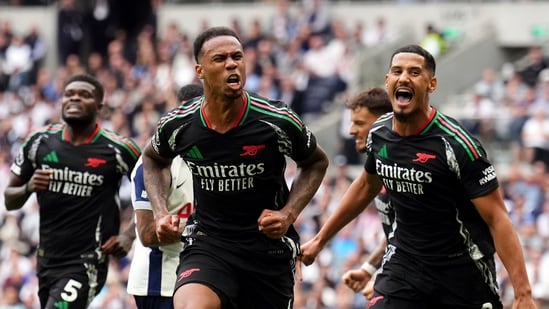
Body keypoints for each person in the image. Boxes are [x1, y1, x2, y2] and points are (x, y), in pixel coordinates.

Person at [300, 44, 537, 309]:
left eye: (414, 72)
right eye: (397, 71)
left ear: (431, 83)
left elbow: (497, 218)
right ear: (388, 80)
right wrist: (320, 239)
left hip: (461, 271)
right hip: (405, 264)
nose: (404, 78)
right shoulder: (379, 133)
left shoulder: (457, 145)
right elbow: (367, 184)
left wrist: (523, 293)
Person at [141, 26, 329, 309]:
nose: (232, 64)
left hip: (267, 248)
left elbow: (316, 162)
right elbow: (153, 159)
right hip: (209, 242)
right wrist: (160, 212)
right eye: (220, 59)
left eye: (237, 57)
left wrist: (288, 213)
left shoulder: (276, 120)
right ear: (200, 70)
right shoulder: (179, 124)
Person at [4, 74, 141, 309]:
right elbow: (9, 199)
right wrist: (28, 187)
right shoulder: (39, 142)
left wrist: (129, 235)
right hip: (47, 258)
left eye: (84, 95)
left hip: (87, 261)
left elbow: (153, 191)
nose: (75, 98)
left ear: (99, 106)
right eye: (69, 94)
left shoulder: (119, 148)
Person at [127, 83, 203, 309]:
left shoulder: (217, 158)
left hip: (204, 277)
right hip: (161, 282)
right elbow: (148, 233)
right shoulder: (154, 163)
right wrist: (204, 229)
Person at [336, 87, 394, 300]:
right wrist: (369, 269)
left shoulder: (405, 166)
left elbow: (418, 236)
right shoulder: (380, 162)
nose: (351, 130)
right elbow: (398, 232)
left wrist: (388, 282)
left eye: (359, 123)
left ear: (383, 122)